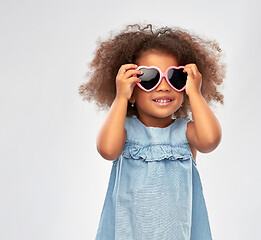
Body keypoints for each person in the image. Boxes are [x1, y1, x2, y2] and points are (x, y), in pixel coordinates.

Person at [78, 23, 225, 240]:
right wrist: (120, 98)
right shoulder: (124, 130)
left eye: (175, 77)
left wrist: (195, 93)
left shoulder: (186, 132)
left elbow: (210, 141)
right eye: (149, 78)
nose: (164, 86)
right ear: (133, 91)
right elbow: (108, 150)